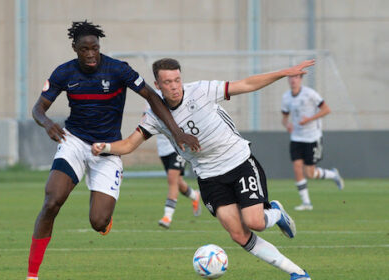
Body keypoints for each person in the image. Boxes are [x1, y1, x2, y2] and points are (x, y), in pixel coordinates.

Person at [92, 58, 316, 280]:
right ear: (157, 85)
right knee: (239, 234)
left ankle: (275, 212)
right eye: (167, 82)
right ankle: (297, 273)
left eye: (177, 80)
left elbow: (246, 84)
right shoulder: (154, 115)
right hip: (209, 177)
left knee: (255, 222)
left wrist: (283, 73)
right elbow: (130, 144)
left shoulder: (201, 90)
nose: (174, 86)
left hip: (239, 162)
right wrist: (106, 148)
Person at [26, 22, 199, 280]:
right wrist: (48, 123)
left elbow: (152, 97)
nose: (91, 54)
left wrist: (177, 131)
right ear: (75, 48)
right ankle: (32, 275)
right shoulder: (64, 73)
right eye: (84, 49)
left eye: (94, 48)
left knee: (98, 222)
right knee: (52, 202)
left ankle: (104, 218)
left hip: (107, 149)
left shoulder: (118, 70)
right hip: (73, 141)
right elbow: (38, 109)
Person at [281, 74, 344, 211]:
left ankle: (333, 174)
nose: (293, 80)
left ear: (300, 79)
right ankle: (306, 203)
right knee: (297, 168)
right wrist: (287, 125)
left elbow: (326, 109)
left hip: (312, 137)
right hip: (296, 138)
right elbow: (285, 118)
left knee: (310, 173)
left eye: (296, 77)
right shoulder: (286, 97)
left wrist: (309, 119)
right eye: (290, 77)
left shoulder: (310, 94)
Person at [155, 133, 201, 229]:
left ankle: (167, 217)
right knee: (178, 182)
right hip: (163, 149)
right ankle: (194, 195)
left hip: (177, 148)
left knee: (172, 179)